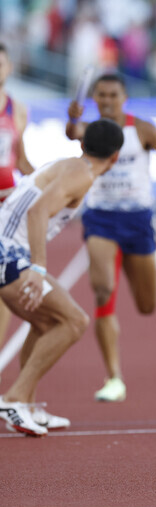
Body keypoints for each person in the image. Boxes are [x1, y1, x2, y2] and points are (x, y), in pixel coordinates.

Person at [65, 73, 156, 402]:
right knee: (103, 291)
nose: (106, 100)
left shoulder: (141, 129)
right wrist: (72, 117)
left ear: (124, 97)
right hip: (100, 218)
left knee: (147, 306)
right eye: (100, 95)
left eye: (112, 95)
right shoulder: (92, 130)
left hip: (138, 220)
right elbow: (72, 131)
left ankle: (149, 252)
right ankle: (113, 377)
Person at [0, 119, 124, 436]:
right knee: (74, 321)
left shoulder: (72, 166)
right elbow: (38, 211)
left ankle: (25, 403)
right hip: (8, 252)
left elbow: (29, 198)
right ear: (115, 157)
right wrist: (38, 267)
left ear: (83, 145)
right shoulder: (81, 175)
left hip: (10, 248)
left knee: (46, 324)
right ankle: (13, 398)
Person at [0, 42, 35, 348]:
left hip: (6, 206)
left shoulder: (18, 109)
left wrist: (43, 183)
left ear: (9, 68)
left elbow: (20, 160)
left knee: (4, 288)